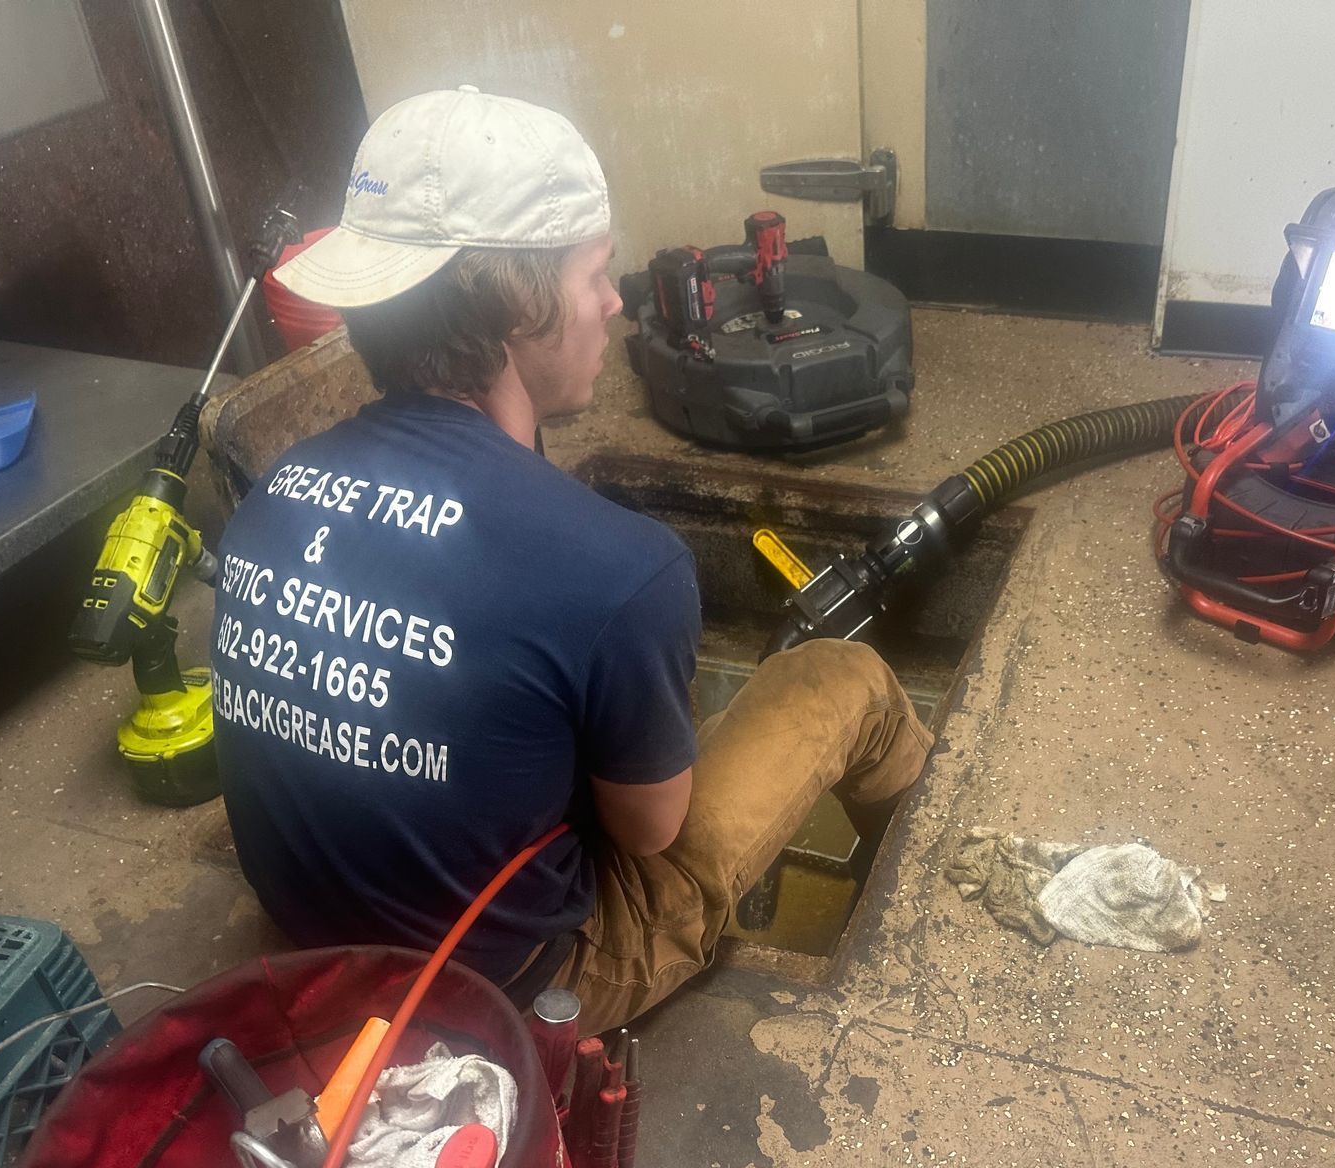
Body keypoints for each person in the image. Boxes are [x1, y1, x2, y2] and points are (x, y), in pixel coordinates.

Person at [212, 88, 932, 1032]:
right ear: (515, 299)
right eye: (594, 272)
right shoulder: (621, 568)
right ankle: (911, 924)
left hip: (311, 943)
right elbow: (647, 834)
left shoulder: (280, 490)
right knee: (847, 680)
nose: (613, 301)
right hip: (509, 990)